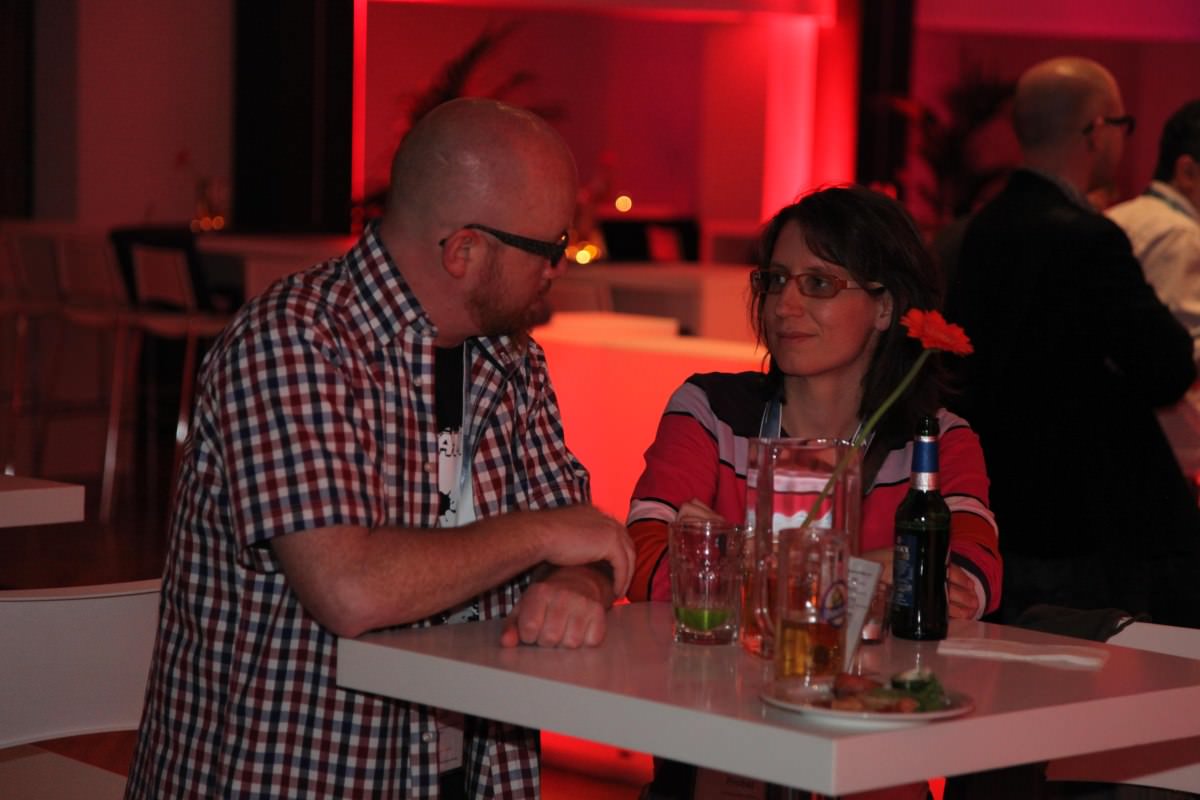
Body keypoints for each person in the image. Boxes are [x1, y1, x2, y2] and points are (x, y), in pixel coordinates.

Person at [125, 98, 635, 799]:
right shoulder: (294, 342)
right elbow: (350, 588)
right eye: (550, 249)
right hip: (293, 779)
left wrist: (578, 585)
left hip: (468, 772)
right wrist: (542, 534)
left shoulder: (512, 360)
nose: (559, 268)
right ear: (464, 251)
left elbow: (583, 542)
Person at [627, 186, 1001, 800]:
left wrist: (732, 560)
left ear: (885, 307)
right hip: (720, 758)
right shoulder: (709, 409)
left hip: (872, 772)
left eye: (819, 283)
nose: (785, 304)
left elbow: (966, 583)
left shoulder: (936, 440)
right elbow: (646, 563)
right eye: (776, 280)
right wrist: (865, 577)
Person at [946, 57, 1200, 627]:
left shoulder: (976, 229)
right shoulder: (1087, 238)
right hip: (1082, 516)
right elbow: (1167, 367)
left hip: (998, 500)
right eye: (1122, 125)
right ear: (1096, 130)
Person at [1107, 99, 1200, 481]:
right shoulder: (1181, 235)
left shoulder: (1121, 217)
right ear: (1188, 171)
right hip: (1168, 451)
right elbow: (1183, 353)